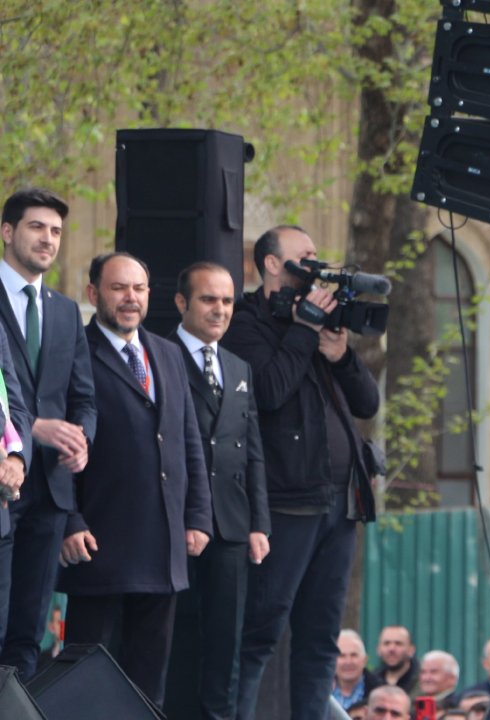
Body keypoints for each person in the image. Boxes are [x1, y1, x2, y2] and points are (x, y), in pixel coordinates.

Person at [224, 225, 379, 720]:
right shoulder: (246, 323)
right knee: (261, 630)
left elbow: (367, 402)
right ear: (272, 264)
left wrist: (341, 355)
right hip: (286, 501)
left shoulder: (314, 329)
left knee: (321, 638)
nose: (316, 265)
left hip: (341, 502)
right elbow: (267, 392)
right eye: (305, 256)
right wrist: (302, 332)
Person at [57, 251, 212, 704]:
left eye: (139, 288)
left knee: (148, 683)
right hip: (97, 545)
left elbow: (189, 440)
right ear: (93, 294)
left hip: (162, 546)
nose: (130, 298)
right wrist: (69, 519)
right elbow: (60, 447)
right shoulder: (73, 352)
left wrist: (198, 515)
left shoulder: (166, 352)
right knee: (86, 678)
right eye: (118, 288)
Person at [165, 261, 270, 720]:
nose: (220, 310)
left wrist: (259, 524)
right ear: (182, 302)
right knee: (176, 640)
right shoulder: (159, 356)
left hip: (231, 525)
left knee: (226, 645)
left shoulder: (237, 365)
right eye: (209, 299)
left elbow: (253, 452)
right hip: (175, 522)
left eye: (228, 301)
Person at [0, 188, 67, 680]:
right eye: (36, 227)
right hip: (6, 485)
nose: (48, 239)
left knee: (28, 632)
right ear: (7, 232)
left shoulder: (63, 311)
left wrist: (79, 434)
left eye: (56, 231)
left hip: (46, 486)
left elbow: (77, 394)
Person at [333, 629, 385, 711]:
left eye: (354, 655)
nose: (348, 662)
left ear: (364, 660)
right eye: (342, 656)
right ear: (332, 661)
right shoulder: (320, 691)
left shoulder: (382, 693)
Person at [374, 625, 419, 694]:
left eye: (398, 644)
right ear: (378, 650)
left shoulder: (423, 682)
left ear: (411, 650)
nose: (391, 649)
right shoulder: (370, 683)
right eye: (386, 643)